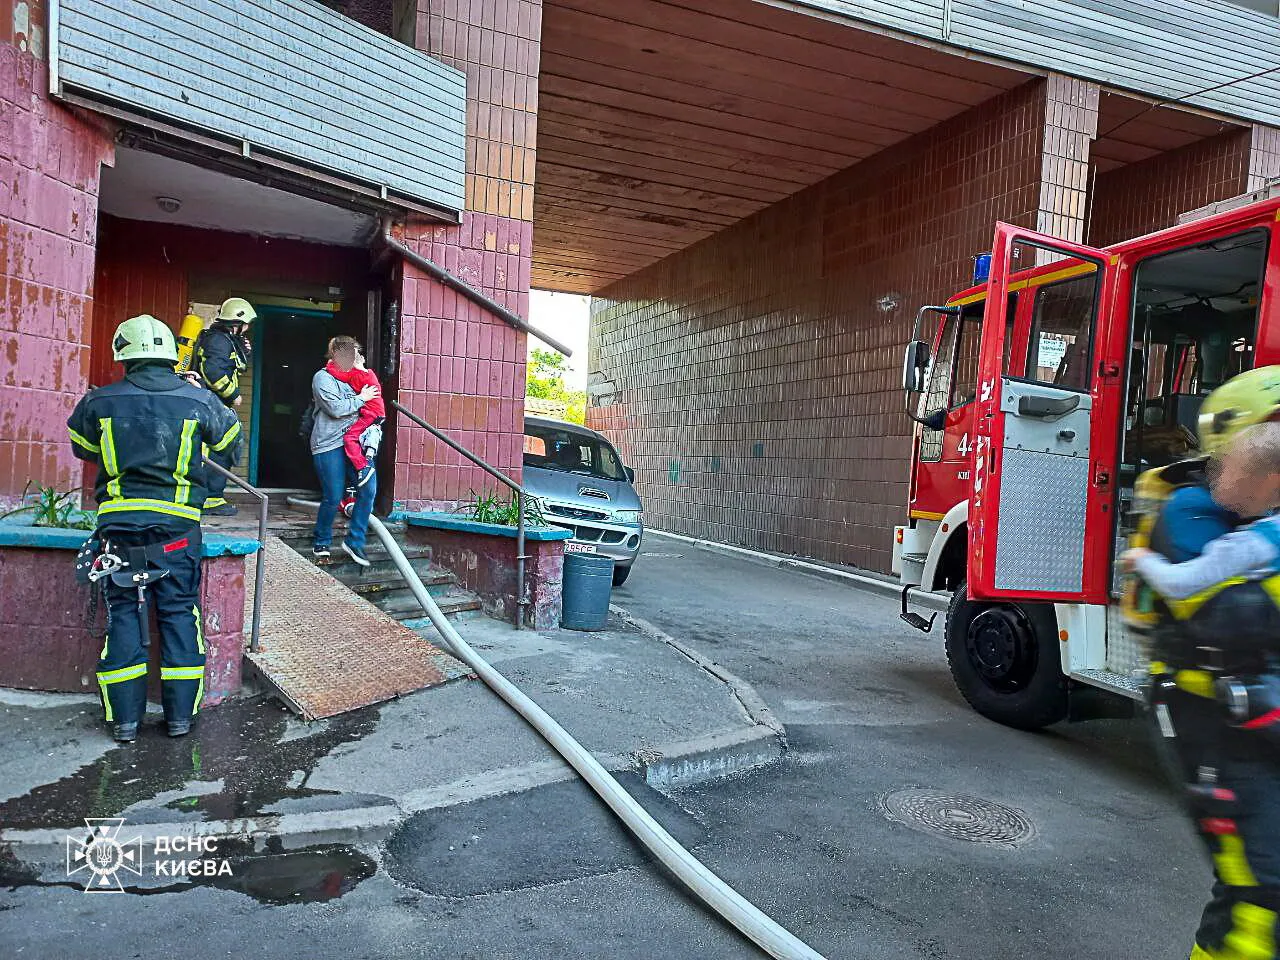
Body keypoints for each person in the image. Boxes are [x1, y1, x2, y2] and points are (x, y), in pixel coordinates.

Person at [1124, 365, 1280, 960]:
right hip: (1211, 721)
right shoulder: (1189, 510)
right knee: (1260, 895)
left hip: (1258, 717)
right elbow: (1225, 613)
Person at [68, 315, 242, 742]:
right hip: (178, 530)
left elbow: (82, 447)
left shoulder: (99, 402)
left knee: (125, 614)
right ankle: (179, 720)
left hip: (118, 531)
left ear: (123, 356)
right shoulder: (200, 401)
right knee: (179, 613)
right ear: (168, 355)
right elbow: (230, 445)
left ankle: (124, 724)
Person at [311, 336, 380, 566]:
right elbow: (335, 408)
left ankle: (355, 541)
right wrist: (362, 398)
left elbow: (374, 401)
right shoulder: (323, 378)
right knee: (333, 495)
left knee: (368, 488)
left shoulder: (357, 375)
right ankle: (321, 541)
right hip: (329, 443)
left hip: (355, 442)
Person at [195, 297, 255, 516]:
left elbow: (230, 364)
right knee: (221, 448)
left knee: (220, 448)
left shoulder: (222, 339)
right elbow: (214, 372)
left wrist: (242, 349)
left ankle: (211, 496)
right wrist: (233, 395)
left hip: (213, 404)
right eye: (246, 323)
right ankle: (211, 498)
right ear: (237, 322)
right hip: (213, 404)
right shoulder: (219, 341)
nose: (248, 328)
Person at [326, 345, 385, 489]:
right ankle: (369, 453)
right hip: (376, 413)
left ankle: (363, 467)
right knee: (361, 437)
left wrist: (329, 366)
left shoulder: (357, 375)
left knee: (349, 438)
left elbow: (340, 375)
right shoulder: (369, 374)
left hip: (371, 414)